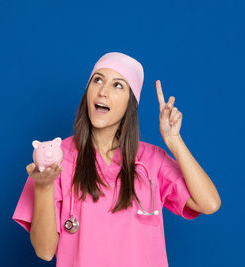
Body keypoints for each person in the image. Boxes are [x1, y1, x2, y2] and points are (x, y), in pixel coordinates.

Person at [12, 52, 221, 266]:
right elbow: (44, 251)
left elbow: (209, 203)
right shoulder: (55, 159)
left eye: (118, 85)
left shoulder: (151, 161)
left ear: (131, 103)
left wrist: (174, 140)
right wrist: (43, 186)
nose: (103, 92)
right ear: (87, 91)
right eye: (98, 80)